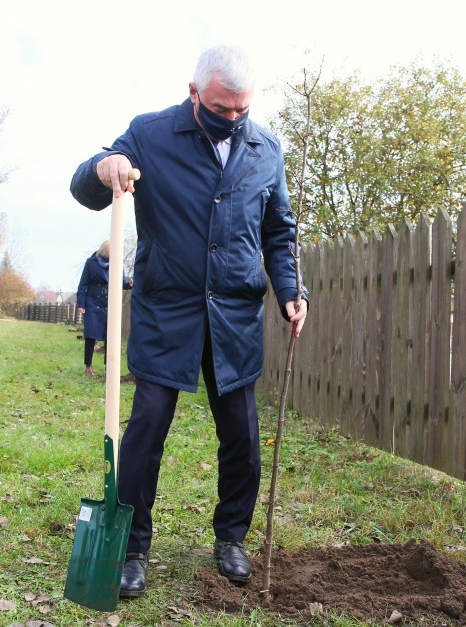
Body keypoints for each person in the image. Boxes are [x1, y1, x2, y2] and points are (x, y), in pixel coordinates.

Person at [69, 43, 308, 598]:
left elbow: (279, 232)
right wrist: (104, 166)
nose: (232, 120)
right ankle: (131, 547)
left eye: (241, 110)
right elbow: (84, 186)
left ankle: (231, 538)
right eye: (222, 109)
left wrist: (291, 291)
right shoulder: (150, 135)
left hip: (234, 314)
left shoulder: (266, 149)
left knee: (242, 436)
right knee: (147, 426)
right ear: (194, 92)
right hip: (167, 309)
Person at [76, 240, 132, 377]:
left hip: (109, 304)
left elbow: (122, 281)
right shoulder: (91, 263)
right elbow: (83, 285)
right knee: (90, 336)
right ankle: (88, 366)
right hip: (93, 304)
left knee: (110, 337)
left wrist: (129, 284)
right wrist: (81, 304)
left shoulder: (117, 263)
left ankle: (109, 367)